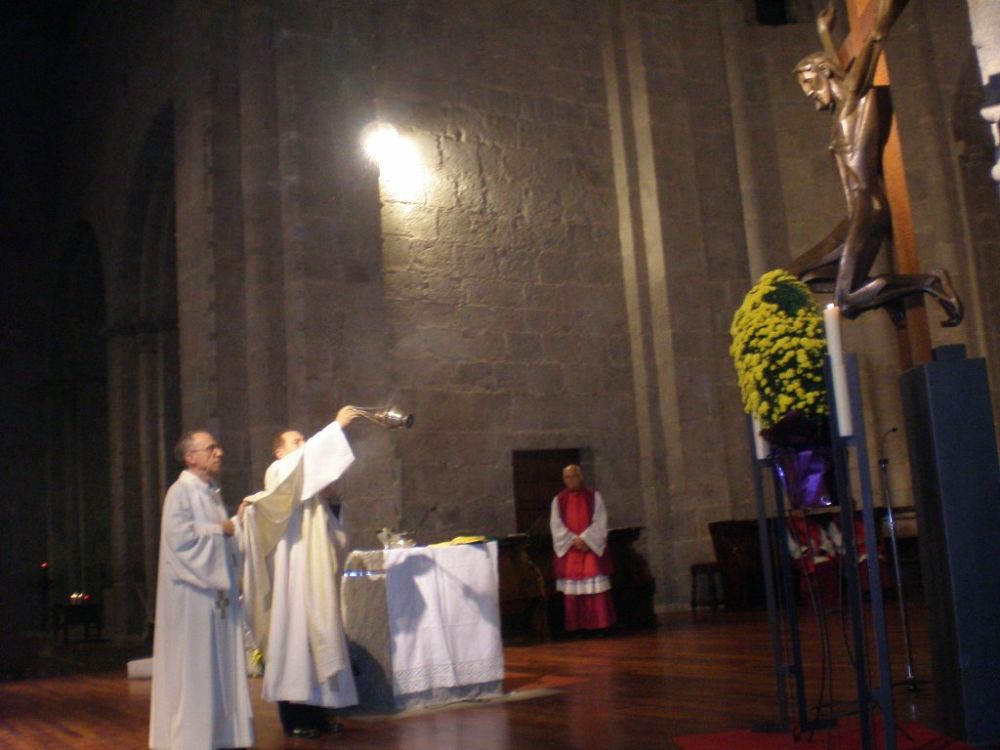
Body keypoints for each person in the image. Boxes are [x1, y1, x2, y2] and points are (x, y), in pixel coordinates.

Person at [785, 0, 962, 328]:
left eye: (809, 84)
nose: (808, 94)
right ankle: (890, 296)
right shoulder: (842, 110)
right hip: (853, 213)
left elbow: (869, 46)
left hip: (869, 206)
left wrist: (882, 21)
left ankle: (930, 282)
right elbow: (841, 69)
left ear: (823, 72)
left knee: (847, 300)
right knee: (791, 278)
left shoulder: (856, 99)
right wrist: (824, 33)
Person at [240, 406, 360, 739]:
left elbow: (334, 535)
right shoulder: (279, 472)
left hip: (315, 574)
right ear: (279, 451)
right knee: (295, 642)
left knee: (318, 640)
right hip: (292, 574)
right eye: (296, 441)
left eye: (304, 439)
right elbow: (298, 469)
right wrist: (335, 426)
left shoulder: (307, 487)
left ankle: (319, 715)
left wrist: (332, 503)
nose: (303, 443)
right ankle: (295, 718)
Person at [149, 431, 254, 750]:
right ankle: (191, 739)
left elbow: (223, 538)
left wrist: (238, 525)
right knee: (196, 668)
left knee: (220, 665)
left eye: (218, 447)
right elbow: (179, 541)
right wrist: (220, 530)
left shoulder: (211, 493)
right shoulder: (180, 492)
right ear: (190, 457)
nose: (219, 452)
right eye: (211, 448)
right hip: (192, 597)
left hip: (216, 596)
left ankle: (222, 734)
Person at [550, 464, 615, 634]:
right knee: (573, 592)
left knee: (595, 589)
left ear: (581, 477)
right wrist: (573, 539)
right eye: (567, 477)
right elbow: (555, 525)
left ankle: (599, 625)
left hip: (590, 548)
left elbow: (600, 520)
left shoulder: (594, 496)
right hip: (571, 549)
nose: (571, 480)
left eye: (574, 476)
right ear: (564, 480)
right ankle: (577, 627)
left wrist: (585, 539)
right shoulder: (558, 500)